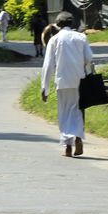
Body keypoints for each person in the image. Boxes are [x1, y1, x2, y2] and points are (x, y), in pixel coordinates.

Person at [40, 11, 95, 157]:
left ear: (58, 25)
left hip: (62, 81)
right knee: (77, 110)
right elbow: (89, 58)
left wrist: (45, 89)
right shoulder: (81, 37)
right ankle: (78, 139)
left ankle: (68, 147)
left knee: (64, 113)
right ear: (72, 24)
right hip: (79, 80)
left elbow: (48, 65)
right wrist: (87, 73)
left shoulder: (54, 40)